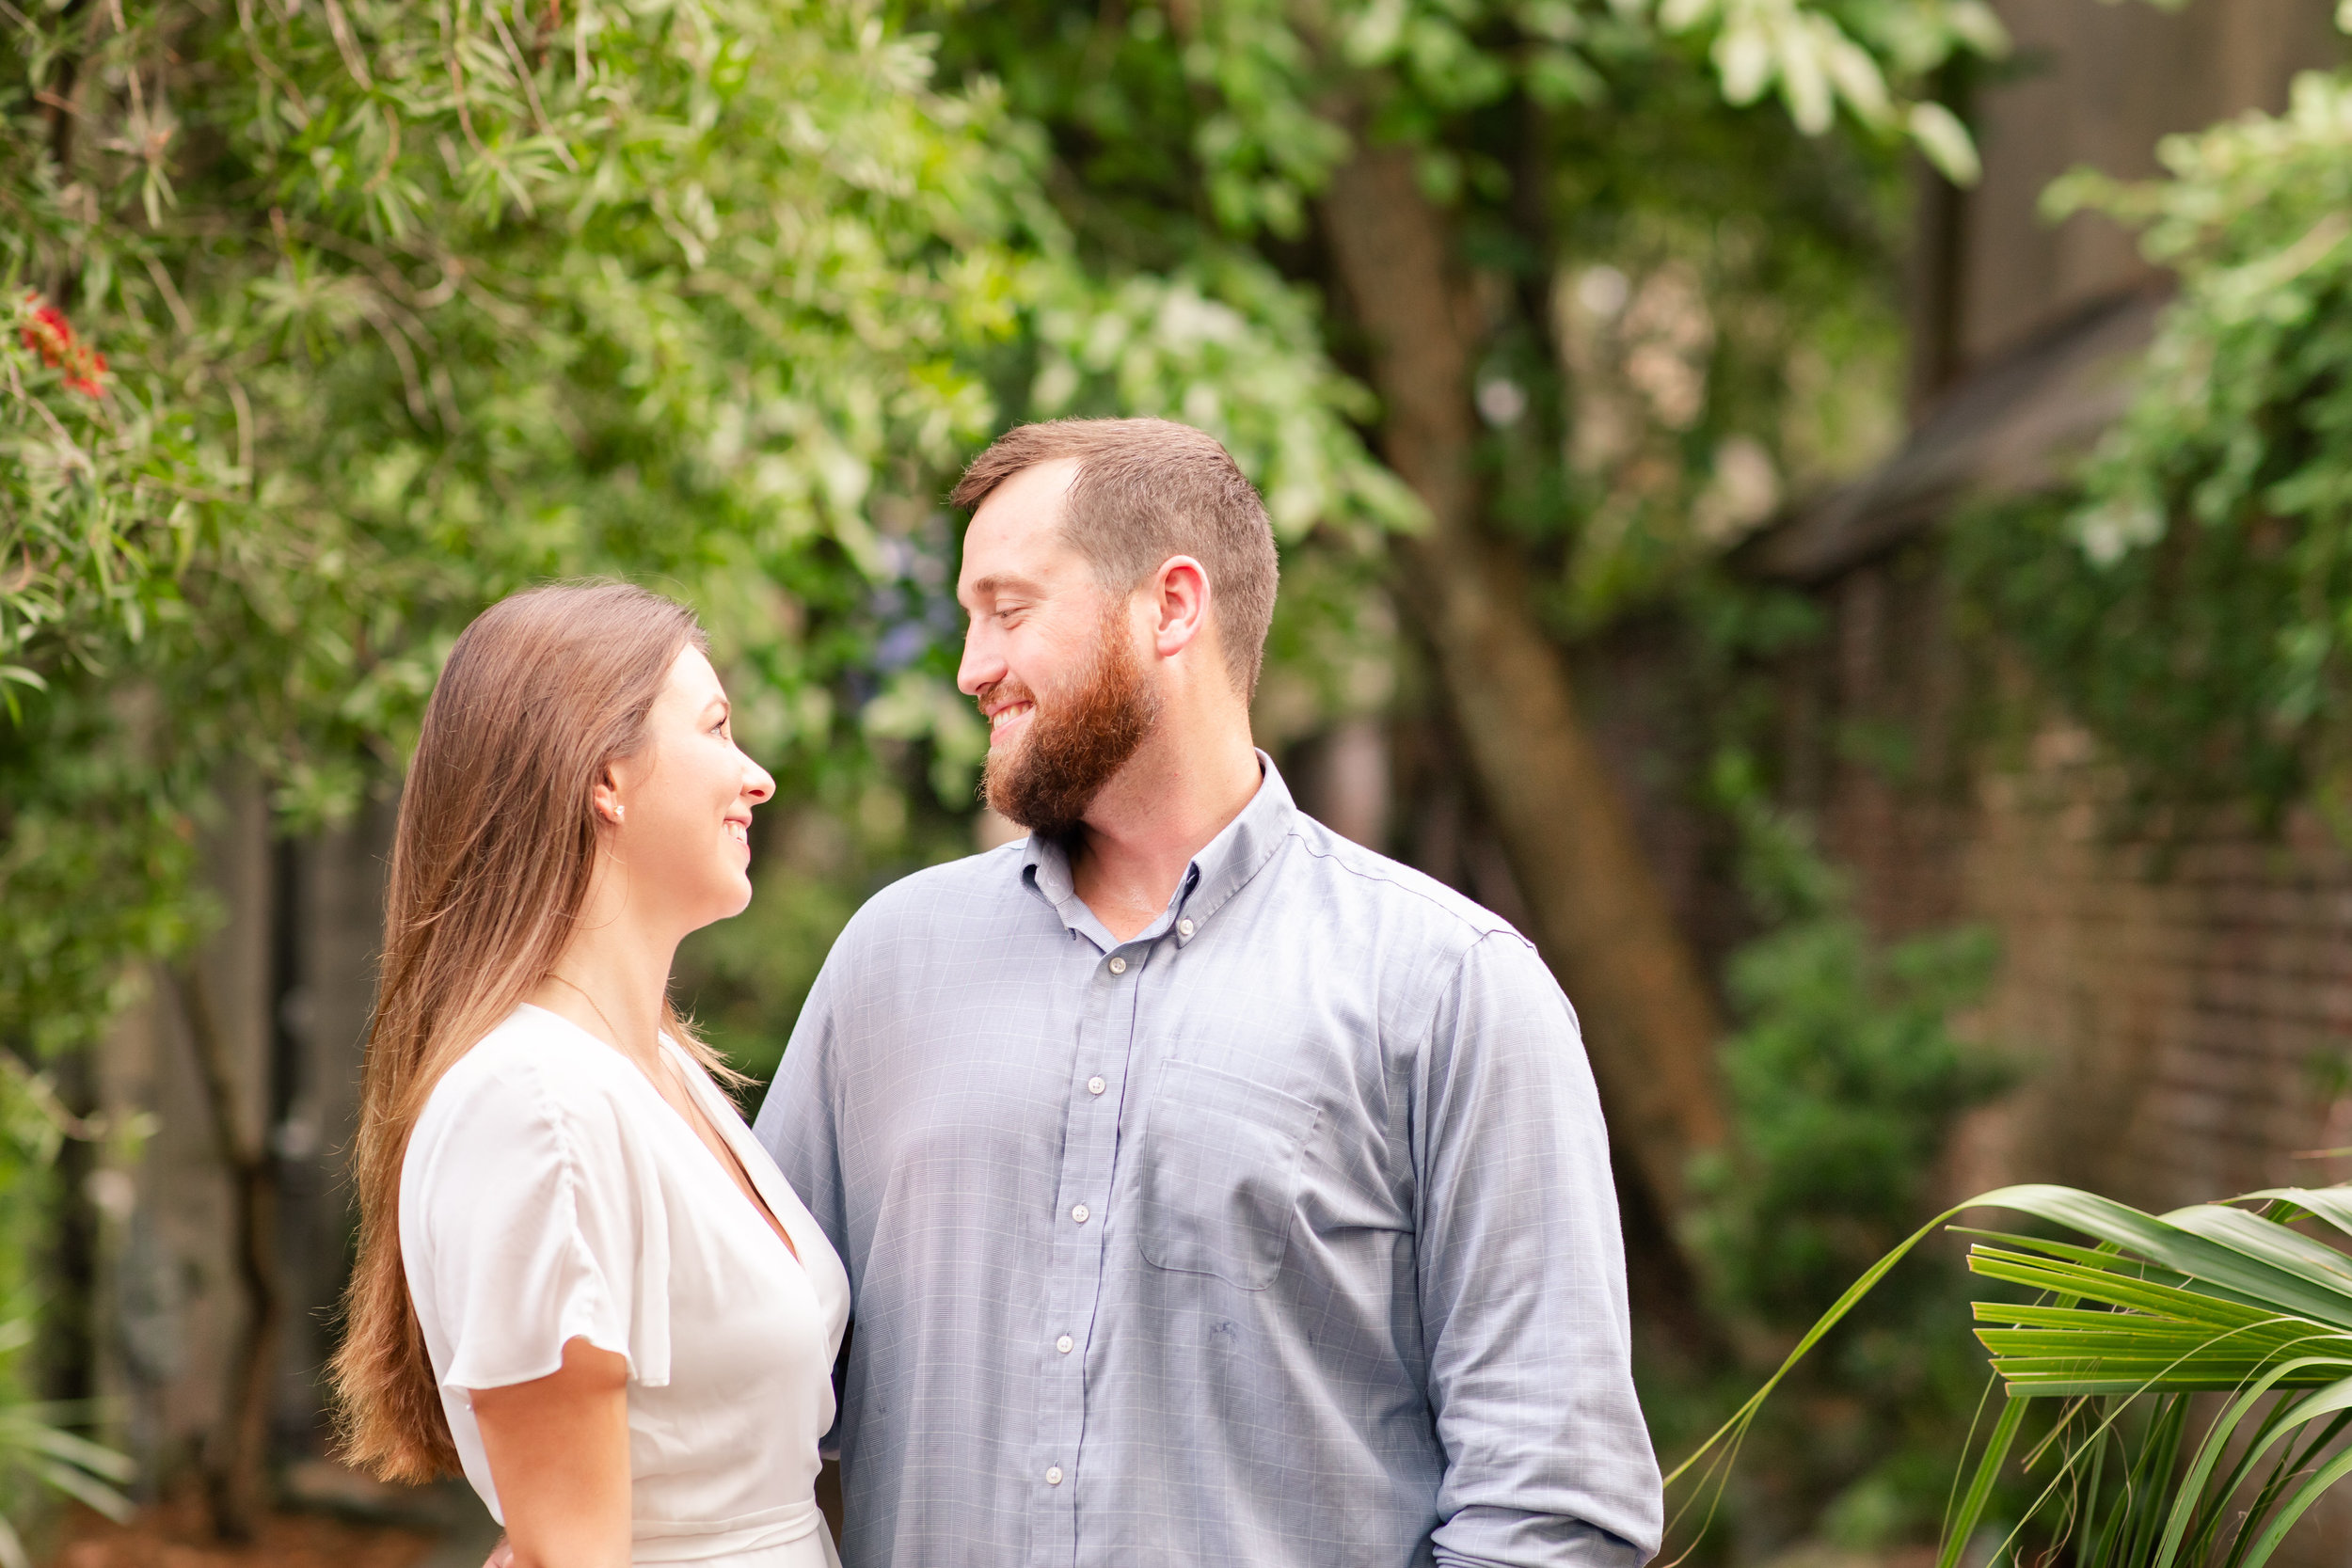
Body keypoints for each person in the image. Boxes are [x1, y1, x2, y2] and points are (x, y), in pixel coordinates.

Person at [755, 419, 1662, 1567]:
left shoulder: (1451, 990)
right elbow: (746, 1383)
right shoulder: (888, 963)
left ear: (1171, 606)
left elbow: (1553, 1495)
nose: (970, 665)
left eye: (1010, 608)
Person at [331, 581, 851, 1568]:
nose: (759, 777)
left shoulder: (661, 1070)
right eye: (717, 727)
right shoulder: (537, 1106)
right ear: (607, 777)